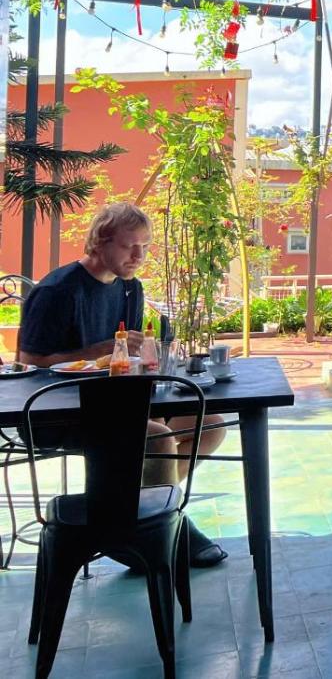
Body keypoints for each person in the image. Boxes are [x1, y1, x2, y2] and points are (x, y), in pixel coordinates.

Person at [19, 202, 230, 567]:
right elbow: (28, 360)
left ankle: (135, 520)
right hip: (56, 414)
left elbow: (126, 360)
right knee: (157, 438)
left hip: (117, 403)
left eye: (144, 246)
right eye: (128, 245)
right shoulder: (59, 290)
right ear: (100, 241)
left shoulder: (130, 289)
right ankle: (164, 530)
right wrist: (98, 350)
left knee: (210, 426)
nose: (138, 256)